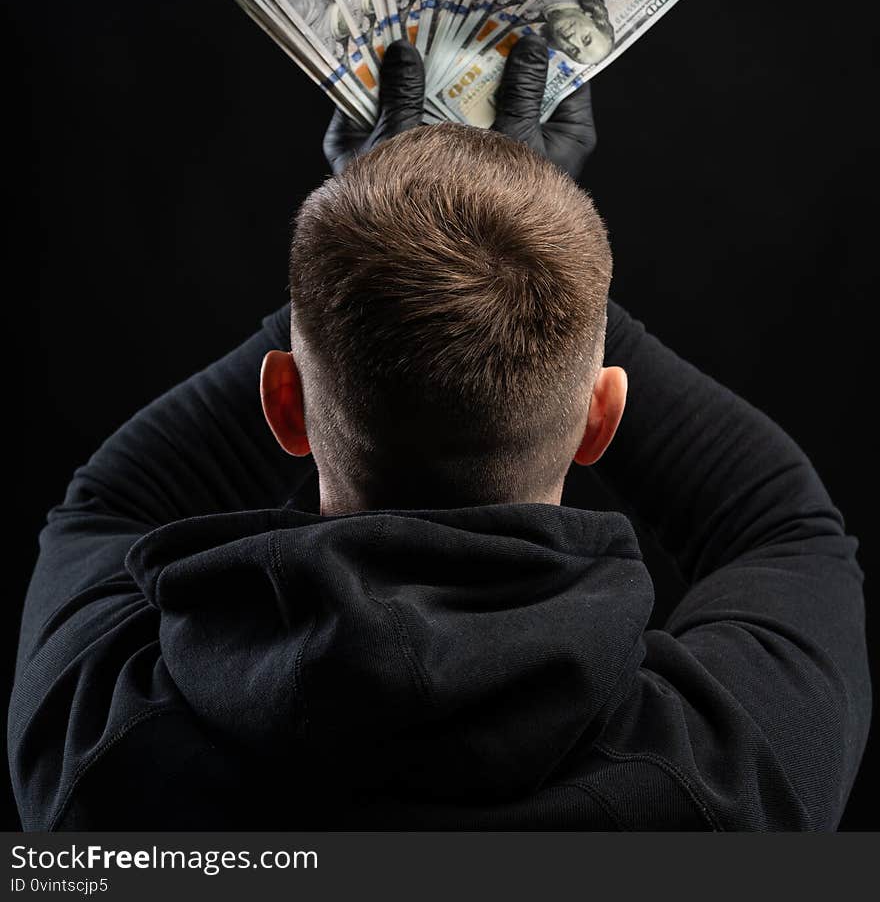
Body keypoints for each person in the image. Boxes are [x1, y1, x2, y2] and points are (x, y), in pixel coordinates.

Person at [8, 40, 870, 830]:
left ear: (285, 406)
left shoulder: (102, 753)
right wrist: (541, 253)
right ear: (602, 416)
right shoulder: (731, 778)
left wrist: (368, 265)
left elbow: (111, 505)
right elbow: (780, 521)